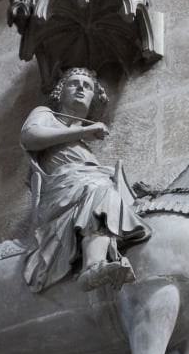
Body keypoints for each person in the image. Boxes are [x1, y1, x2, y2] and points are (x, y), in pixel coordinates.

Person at [21, 68, 150, 292]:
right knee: (99, 190)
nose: (81, 87)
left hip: (85, 186)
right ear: (60, 92)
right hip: (62, 189)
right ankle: (93, 266)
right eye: (73, 83)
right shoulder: (46, 115)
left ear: (93, 99)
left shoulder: (83, 146)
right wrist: (83, 131)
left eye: (87, 86)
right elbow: (30, 137)